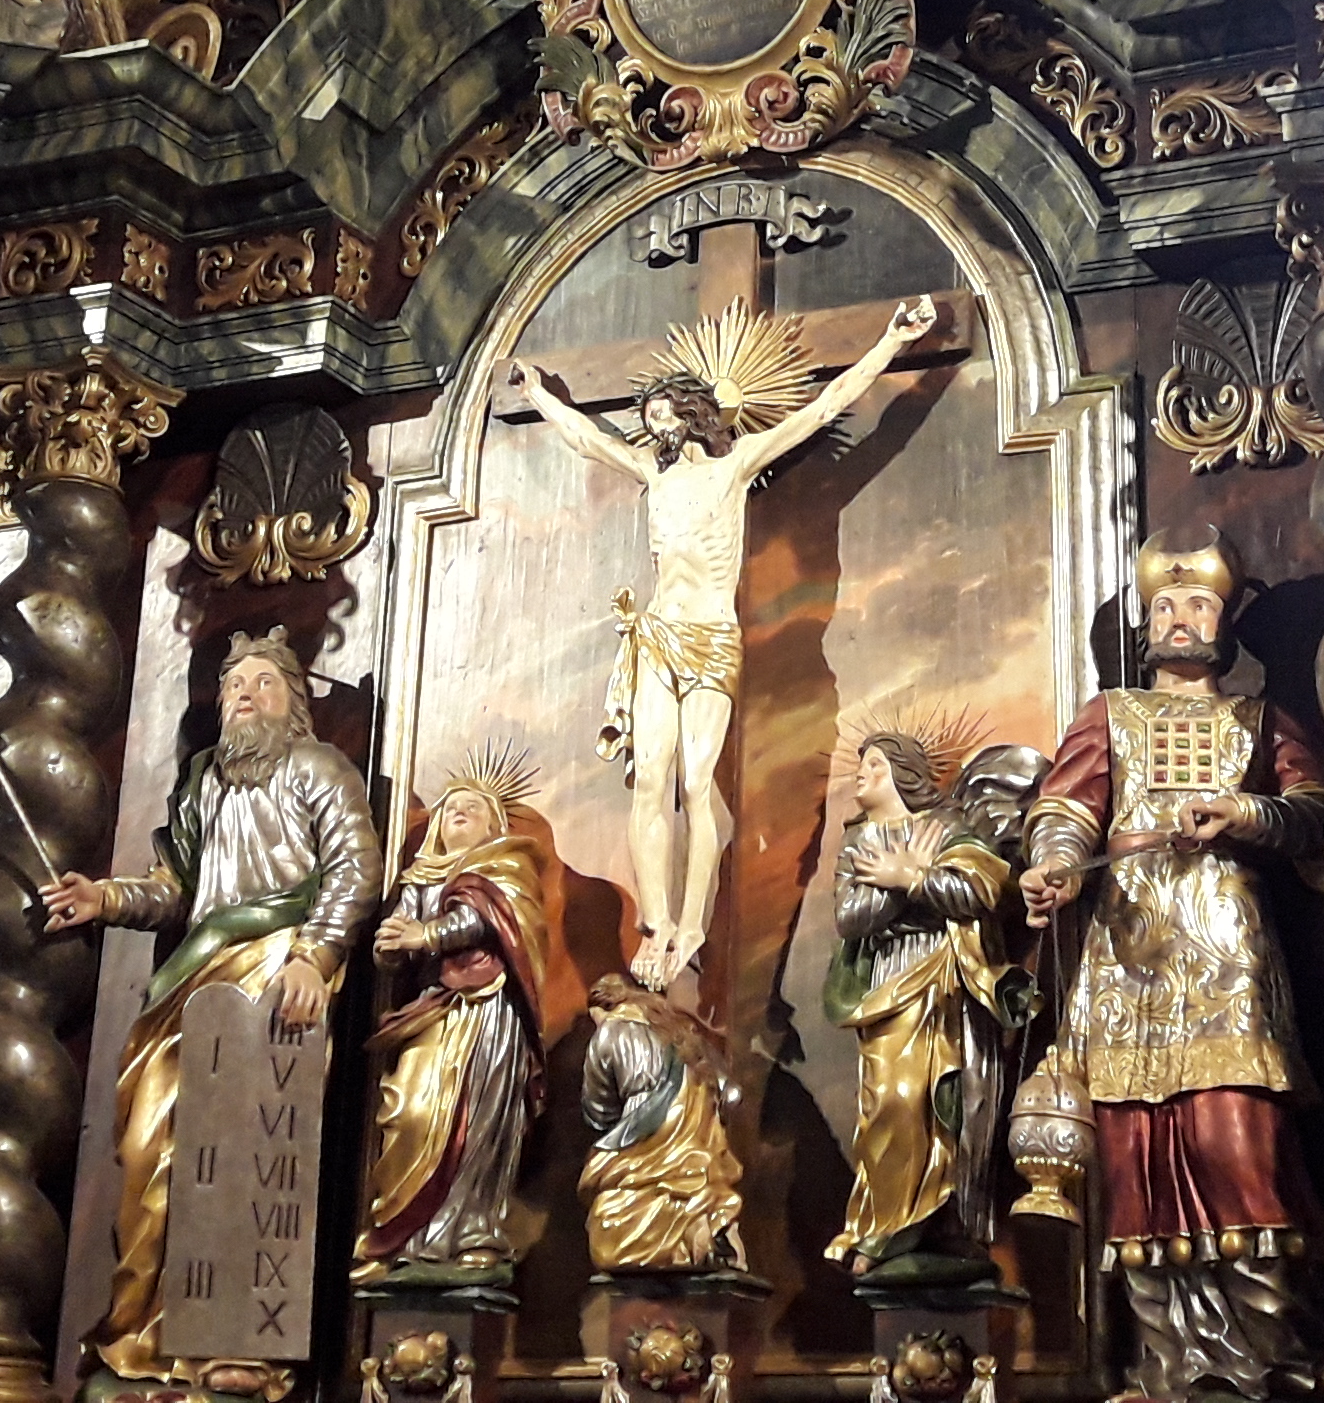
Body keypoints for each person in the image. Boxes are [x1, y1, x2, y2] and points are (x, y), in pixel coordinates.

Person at [504, 293, 939, 987]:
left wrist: (891, 344)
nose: (655, 425)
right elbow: (589, 440)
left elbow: (823, 408)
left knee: (696, 780)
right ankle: (655, 924)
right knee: (651, 778)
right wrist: (539, 396)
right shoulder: (654, 473)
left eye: (664, 413)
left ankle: (692, 925)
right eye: (650, 417)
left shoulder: (734, 467)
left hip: (710, 637)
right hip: (657, 635)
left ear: (694, 413)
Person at [1022, 532, 1324, 1403]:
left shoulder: (1259, 720)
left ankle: (1265, 1358)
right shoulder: (1111, 714)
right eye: (1163, 606)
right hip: (1128, 951)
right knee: (1134, 1156)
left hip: (1227, 948)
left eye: (1198, 604)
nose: (1179, 619)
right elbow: (1065, 809)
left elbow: (1318, 813)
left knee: (1236, 1142)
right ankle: (1167, 1366)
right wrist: (1054, 866)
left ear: (1225, 620)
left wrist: (1243, 814)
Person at [41, 629, 374, 1380]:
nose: (245, 694)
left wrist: (316, 955)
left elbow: (355, 867)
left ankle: (238, 1342)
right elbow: (174, 891)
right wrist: (105, 899)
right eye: (233, 684)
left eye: (263, 682)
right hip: (196, 980)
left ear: (294, 700)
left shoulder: (319, 767)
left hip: (277, 968)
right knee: (147, 1146)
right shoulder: (203, 782)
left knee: (252, 1147)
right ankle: (146, 1334)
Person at [826, 729, 1018, 1285]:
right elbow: (850, 918)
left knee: (947, 1099)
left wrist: (910, 877)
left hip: (948, 981)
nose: (862, 773)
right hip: (887, 982)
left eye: (876, 765)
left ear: (903, 775)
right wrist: (903, 883)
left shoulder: (949, 829)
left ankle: (941, 1225)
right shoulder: (857, 842)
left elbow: (979, 894)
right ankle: (885, 1225)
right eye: (862, 764)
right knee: (890, 1100)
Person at [358, 765, 561, 1281]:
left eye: (473, 808)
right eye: (450, 808)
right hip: (433, 1008)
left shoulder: (506, 867)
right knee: (410, 1109)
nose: (460, 813)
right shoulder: (420, 879)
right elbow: (395, 941)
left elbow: (489, 921)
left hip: (488, 1012)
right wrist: (390, 949)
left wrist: (424, 936)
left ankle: (474, 1229)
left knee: (480, 1122)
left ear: (495, 826)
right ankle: (408, 1236)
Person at [580, 973, 745, 1274]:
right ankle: (702, 1224)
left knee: (610, 1226)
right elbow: (732, 1093)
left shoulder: (611, 1030)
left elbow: (597, 1110)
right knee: (686, 1179)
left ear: (605, 1007)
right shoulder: (682, 1033)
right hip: (698, 1142)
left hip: (644, 1131)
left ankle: (684, 1231)